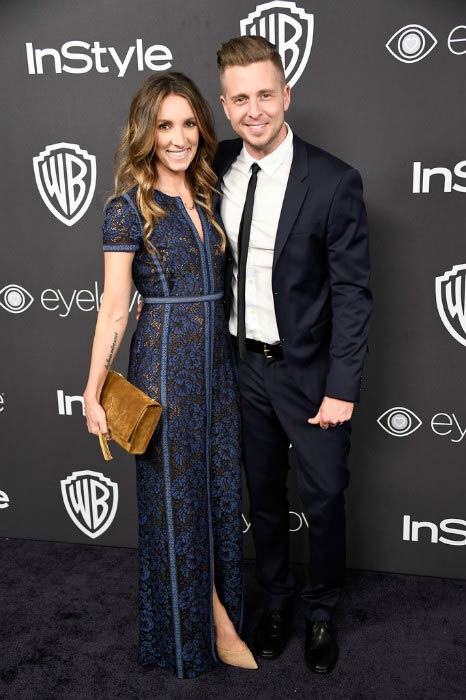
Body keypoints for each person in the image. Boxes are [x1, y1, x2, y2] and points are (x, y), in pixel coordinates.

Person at [83, 72, 257, 678]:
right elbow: (113, 305)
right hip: (163, 365)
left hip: (219, 366)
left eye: (188, 123)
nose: (178, 138)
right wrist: (92, 386)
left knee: (217, 495)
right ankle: (212, 629)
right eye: (165, 126)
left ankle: (221, 614)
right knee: (175, 505)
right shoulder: (126, 209)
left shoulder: (210, 192)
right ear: (146, 133)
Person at [214, 36, 372, 674]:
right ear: (225, 106)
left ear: (287, 95)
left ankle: (321, 611)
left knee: (326, 496)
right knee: (263, 495)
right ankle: (276, 603)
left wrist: (343, 386)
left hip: (309, 373)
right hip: (239, 368)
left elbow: (354, 295)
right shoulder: (214, 164)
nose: (255, 109)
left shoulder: (333, 181)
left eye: (265, 94)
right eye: (241, 98)